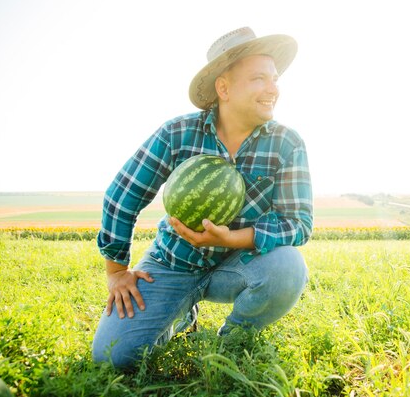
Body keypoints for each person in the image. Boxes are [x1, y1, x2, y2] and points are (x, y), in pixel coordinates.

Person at [91, 27, 313, 369]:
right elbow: (122, 196)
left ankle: (234, 340)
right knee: (115, 358)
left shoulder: (287, 143)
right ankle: (181, 317)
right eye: (258, 78)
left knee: (288, 266)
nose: (273, 89)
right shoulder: (178, 132)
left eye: (274, 78)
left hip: (238, 264)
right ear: (223, 88)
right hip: (172, 263)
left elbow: (299, 223)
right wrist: (117, 271)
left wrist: (232, 237)